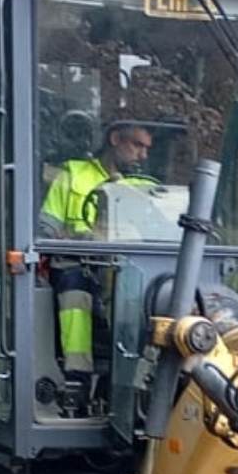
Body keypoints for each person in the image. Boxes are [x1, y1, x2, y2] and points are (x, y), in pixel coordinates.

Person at [38, 124, 155, 411]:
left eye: (147, 149)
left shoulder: (146, 187)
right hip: (77, 263)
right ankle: (77, 379)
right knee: (75, 295)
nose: (143, 155)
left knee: (145, 299)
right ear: (115, 140)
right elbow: (46, 229)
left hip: (123, 268)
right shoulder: (72, 175)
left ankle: (131, 381)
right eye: (137, 145)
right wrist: (82, 238)